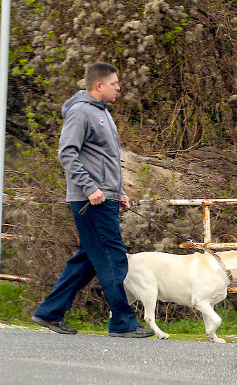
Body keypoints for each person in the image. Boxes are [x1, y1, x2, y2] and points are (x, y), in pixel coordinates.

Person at [31, 62, 153, 338]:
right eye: (114, 84)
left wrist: (117, 191)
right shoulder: (80, 113)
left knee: (88, 260)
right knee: (113, 258)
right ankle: (123, 322)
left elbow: (103, 160)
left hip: (104, 197)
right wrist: (89, 188)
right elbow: (67, 154)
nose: (119, 88)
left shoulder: (103, 114)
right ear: (99, 86)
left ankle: (50, 312)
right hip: (91, 202)